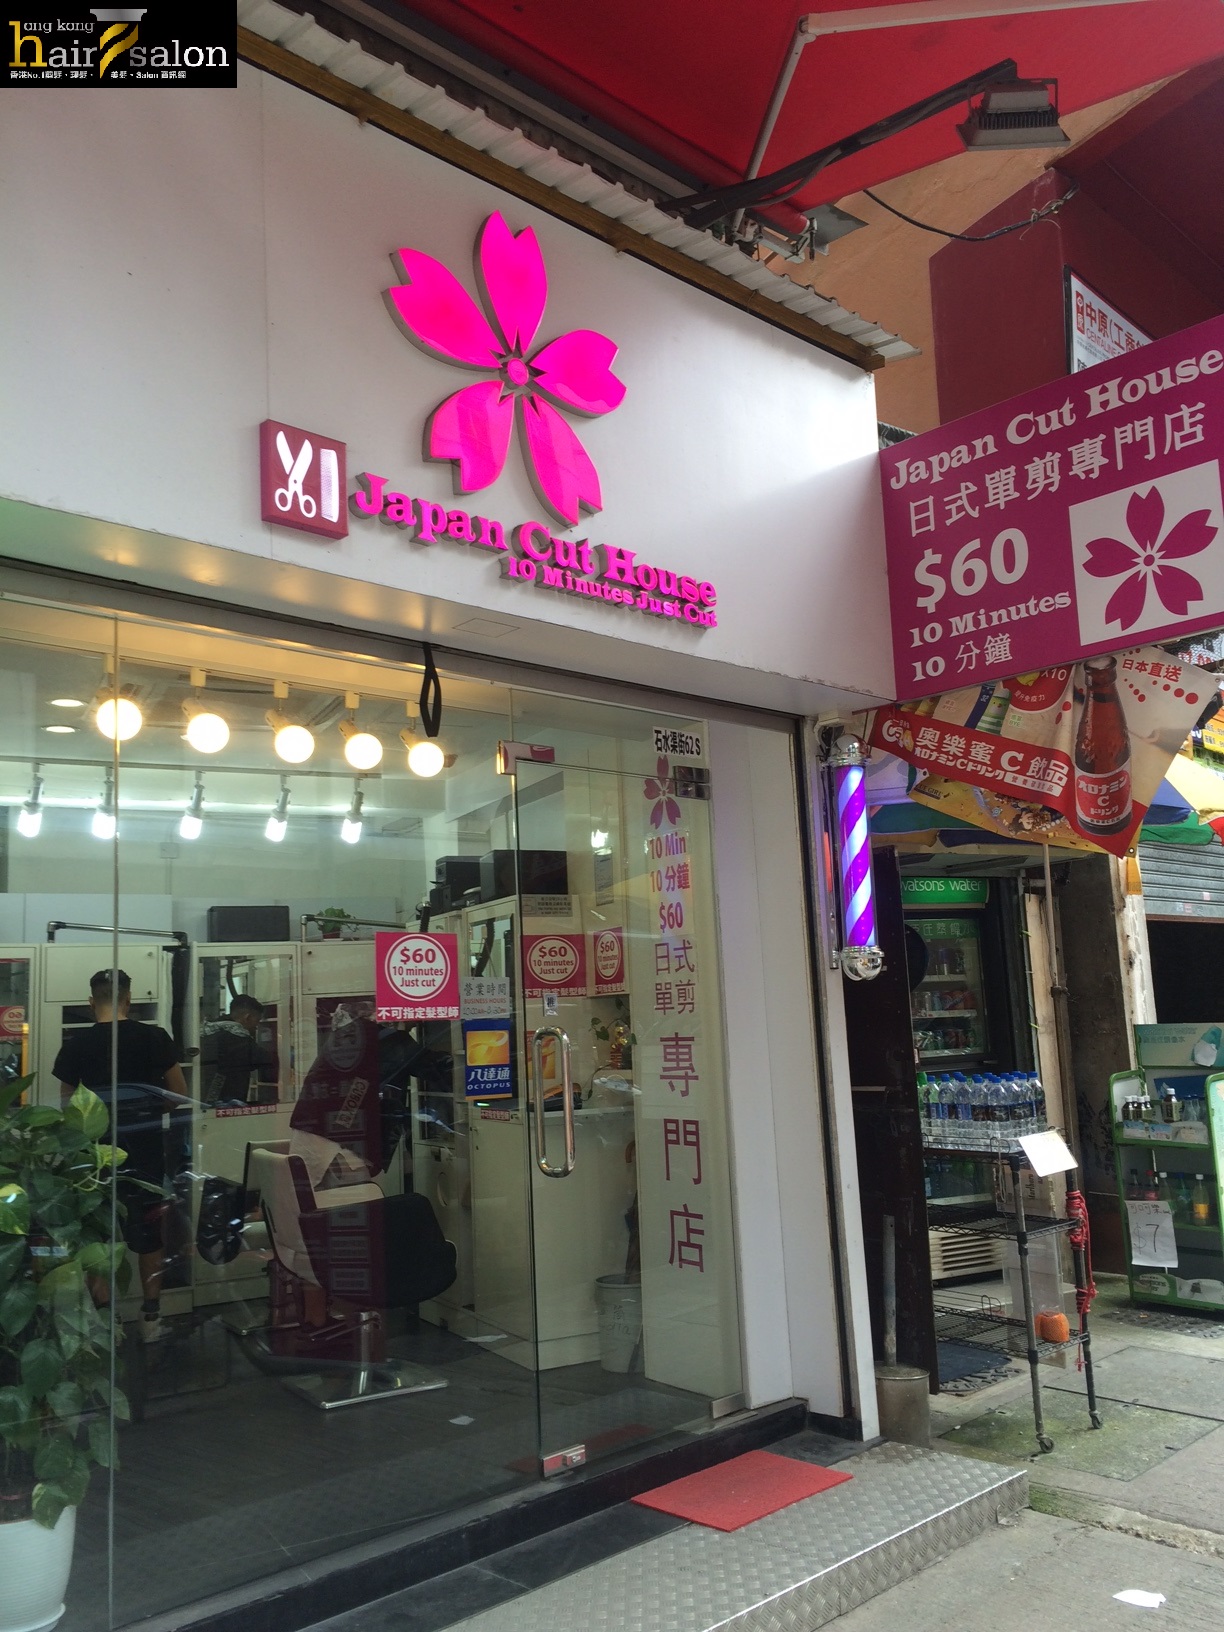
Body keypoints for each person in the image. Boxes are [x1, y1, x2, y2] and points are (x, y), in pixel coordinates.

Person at [53, 969, 190, 1343]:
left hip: (95, 1157)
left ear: (90, 1002)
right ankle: (150, 1320)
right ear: (129, 999)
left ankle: (107, 1324)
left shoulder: (76, 1044)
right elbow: (178, 1093)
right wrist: (148, 1112)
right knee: (149, 1238)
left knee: (98, 1237)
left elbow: (68, 1105)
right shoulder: (154, 1038)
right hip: (145, 1155)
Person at [199, 994, 277, 1105]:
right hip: (228, 1102)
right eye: (257, 1021)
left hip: (205, 1097)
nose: (256, 1026)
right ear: (247, 1017)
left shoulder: (209, 1031)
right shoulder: (238, 1036)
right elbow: (265, 1059)